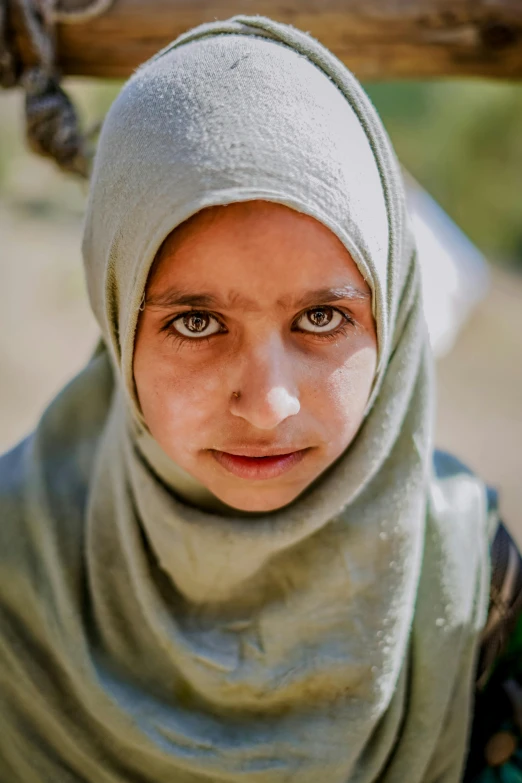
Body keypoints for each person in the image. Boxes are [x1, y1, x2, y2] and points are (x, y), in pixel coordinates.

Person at [0, 14, 520, 783]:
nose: (269, 405)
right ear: (115, 317)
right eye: (196, 321)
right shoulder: (14, 561)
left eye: (321, 318)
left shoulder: (477, 585)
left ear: (393, 316)